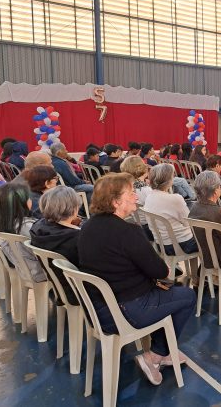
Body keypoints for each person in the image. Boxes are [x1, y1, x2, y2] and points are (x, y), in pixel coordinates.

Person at [78, 173, 195, 385]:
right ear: (116, 202)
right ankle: (155, 355)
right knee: (186, 296)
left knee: (165, 293)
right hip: (127, 311)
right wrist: (159, 273)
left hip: (99, 309)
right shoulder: (128, 231)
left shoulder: (87, 226)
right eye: (131, 193)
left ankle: (163, 350)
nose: (136, 196)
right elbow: (159, 271)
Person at [30, 186, 83, 304]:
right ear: (74, 209)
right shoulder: (76, 238)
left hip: (59, 287)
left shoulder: (38, 227)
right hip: (80, 291)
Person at [143, 164, 198, 255]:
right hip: (182, 245)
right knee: (211, 239)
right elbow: (188, 222)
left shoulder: (149, 197)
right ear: (169, 180)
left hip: (161, 245)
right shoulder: (175, 198)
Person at [0, 183, 46, 282]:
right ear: (22, 203)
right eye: (28, 197)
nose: (31, 199)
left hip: (23, 271)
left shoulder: (4, 225)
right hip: (41, 274)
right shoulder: (27, 227)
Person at [189, 171, 221, 282]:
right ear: (216, 190)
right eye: (220, 186)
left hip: (206, 256)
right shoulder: (218, 212)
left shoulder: (194, 208)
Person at [120, 155, 153, 240]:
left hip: (137, 223)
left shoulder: (126, 187)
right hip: (150, 228)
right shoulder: (146, 190)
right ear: (143, 169)